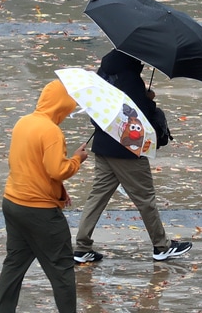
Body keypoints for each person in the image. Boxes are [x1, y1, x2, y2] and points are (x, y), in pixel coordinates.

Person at [0, 80, 105, 313]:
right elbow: (57, 170)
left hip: (13, 202)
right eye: (69, 105)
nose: (70, 110)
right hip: (39, 212)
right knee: (62, 266)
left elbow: (31, 166)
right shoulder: (52, 132)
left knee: (14, 265)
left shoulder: (24, 122)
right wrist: (77, 159)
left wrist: (58, 192)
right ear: (61, 103)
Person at [73, 50, 191, 264]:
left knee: (97, 197)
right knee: (145, 198)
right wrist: (149, 100)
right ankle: (162, 246)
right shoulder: (131, 80)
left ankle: (81, 246)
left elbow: (96, 110)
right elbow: (139, 119)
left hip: (102, 145)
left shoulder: (104, 74)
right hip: (127, 150)